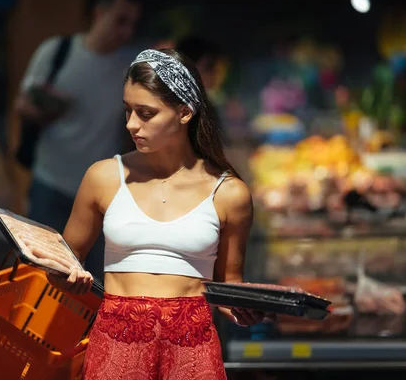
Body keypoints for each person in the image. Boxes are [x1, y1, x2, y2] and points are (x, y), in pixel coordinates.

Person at [31, 48, 272, 379]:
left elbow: (228, 285)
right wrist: (63, 276)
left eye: (146, 113)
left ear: (185, 112)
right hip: (117, 343)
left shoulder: (229, 193)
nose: (131, 124)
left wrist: (248, 307)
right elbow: (64, 263)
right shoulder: (103, 177)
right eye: (128, 111)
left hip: (192, 347)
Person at [14, 0, 142, 282]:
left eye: (133, 24)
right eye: (120, 20)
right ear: (99, 13)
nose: (126, 32)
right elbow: (22, 104)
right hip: (50, 182)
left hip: (102, 195)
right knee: (41, 275)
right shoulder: (58, 51)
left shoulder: (130, 68)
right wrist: (48, 109)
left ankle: (86, 332)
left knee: (92, 282)